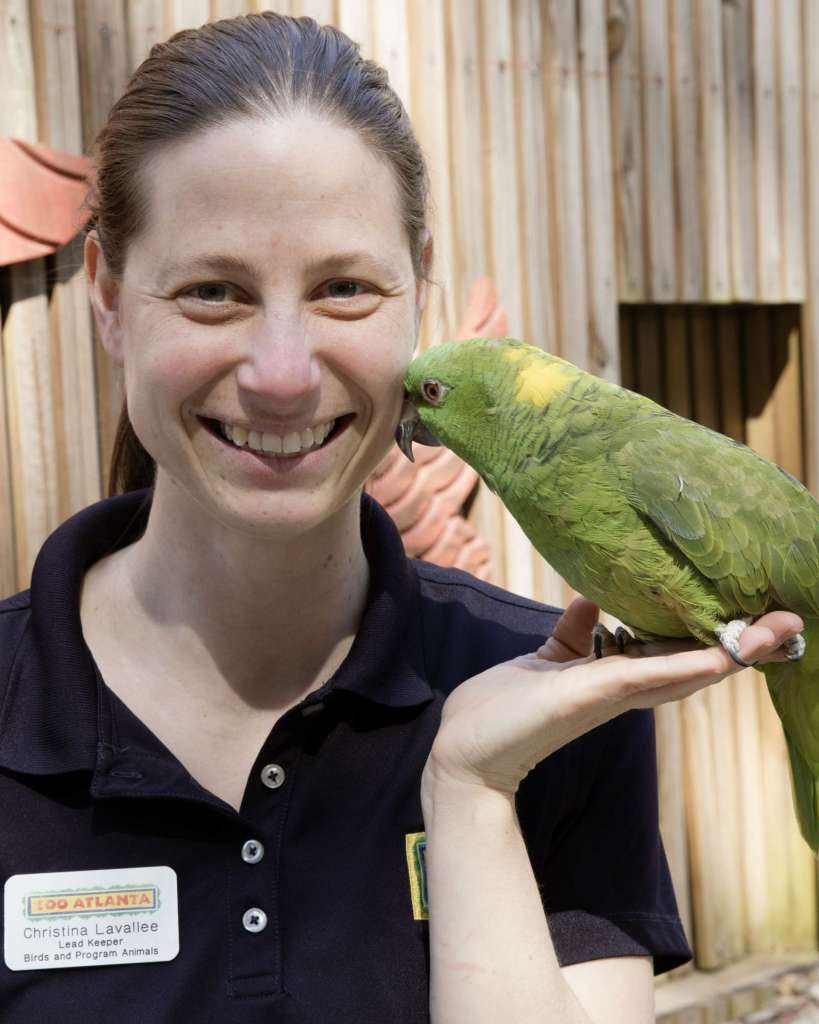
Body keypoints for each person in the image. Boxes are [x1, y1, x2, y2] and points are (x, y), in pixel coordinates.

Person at [0, 12, 801, 1024]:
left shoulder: (557, 696)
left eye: (344, 287)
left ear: (418, 290)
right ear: (109, 295)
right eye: (213, 291)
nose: (283, 375)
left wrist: (471, 790)